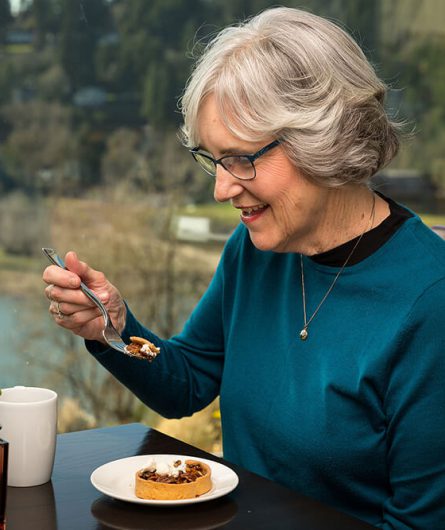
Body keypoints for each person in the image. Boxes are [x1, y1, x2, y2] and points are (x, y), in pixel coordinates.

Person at [43, 7, 445, 529]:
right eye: (212, 160)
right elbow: (186, 382)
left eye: (241, 159)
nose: (221, 188)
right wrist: (112, 329)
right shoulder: (254, 249)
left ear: (320, 138)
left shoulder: (430, 302)